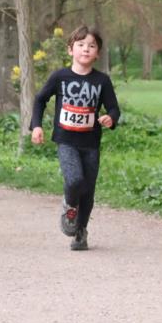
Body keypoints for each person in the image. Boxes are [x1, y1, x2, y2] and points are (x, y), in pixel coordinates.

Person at [30, 25, 120, 251]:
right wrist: (36, 126)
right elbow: (40, 99)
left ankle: (80, 231)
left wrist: (110, 118)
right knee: (74, 181)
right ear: (71, 50)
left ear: (98, 53)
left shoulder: (102, 81)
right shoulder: (60, 76)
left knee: (88, 190)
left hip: (91, 144)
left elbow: (113, 109)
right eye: (81, 45)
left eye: (91, 46)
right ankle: (70, 205)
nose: (86, 49)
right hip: (66, 141)